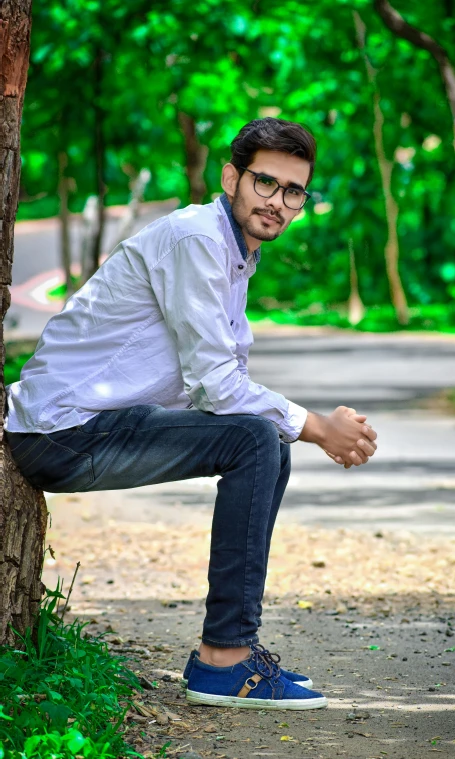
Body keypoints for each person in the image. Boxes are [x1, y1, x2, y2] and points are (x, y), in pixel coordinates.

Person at [5, 117, 377, 710]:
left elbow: (213, 385)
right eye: (265, 183)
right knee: (258, 439)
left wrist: (298, 427)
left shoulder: (233, 255)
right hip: (63, 430)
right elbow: (219, 387)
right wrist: (318, 427)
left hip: (89, 425)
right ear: (232, 178)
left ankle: (228, 652)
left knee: (263, 439)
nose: (278, 202)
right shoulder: (198, 240)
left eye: (293, 191)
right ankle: (223, 659)